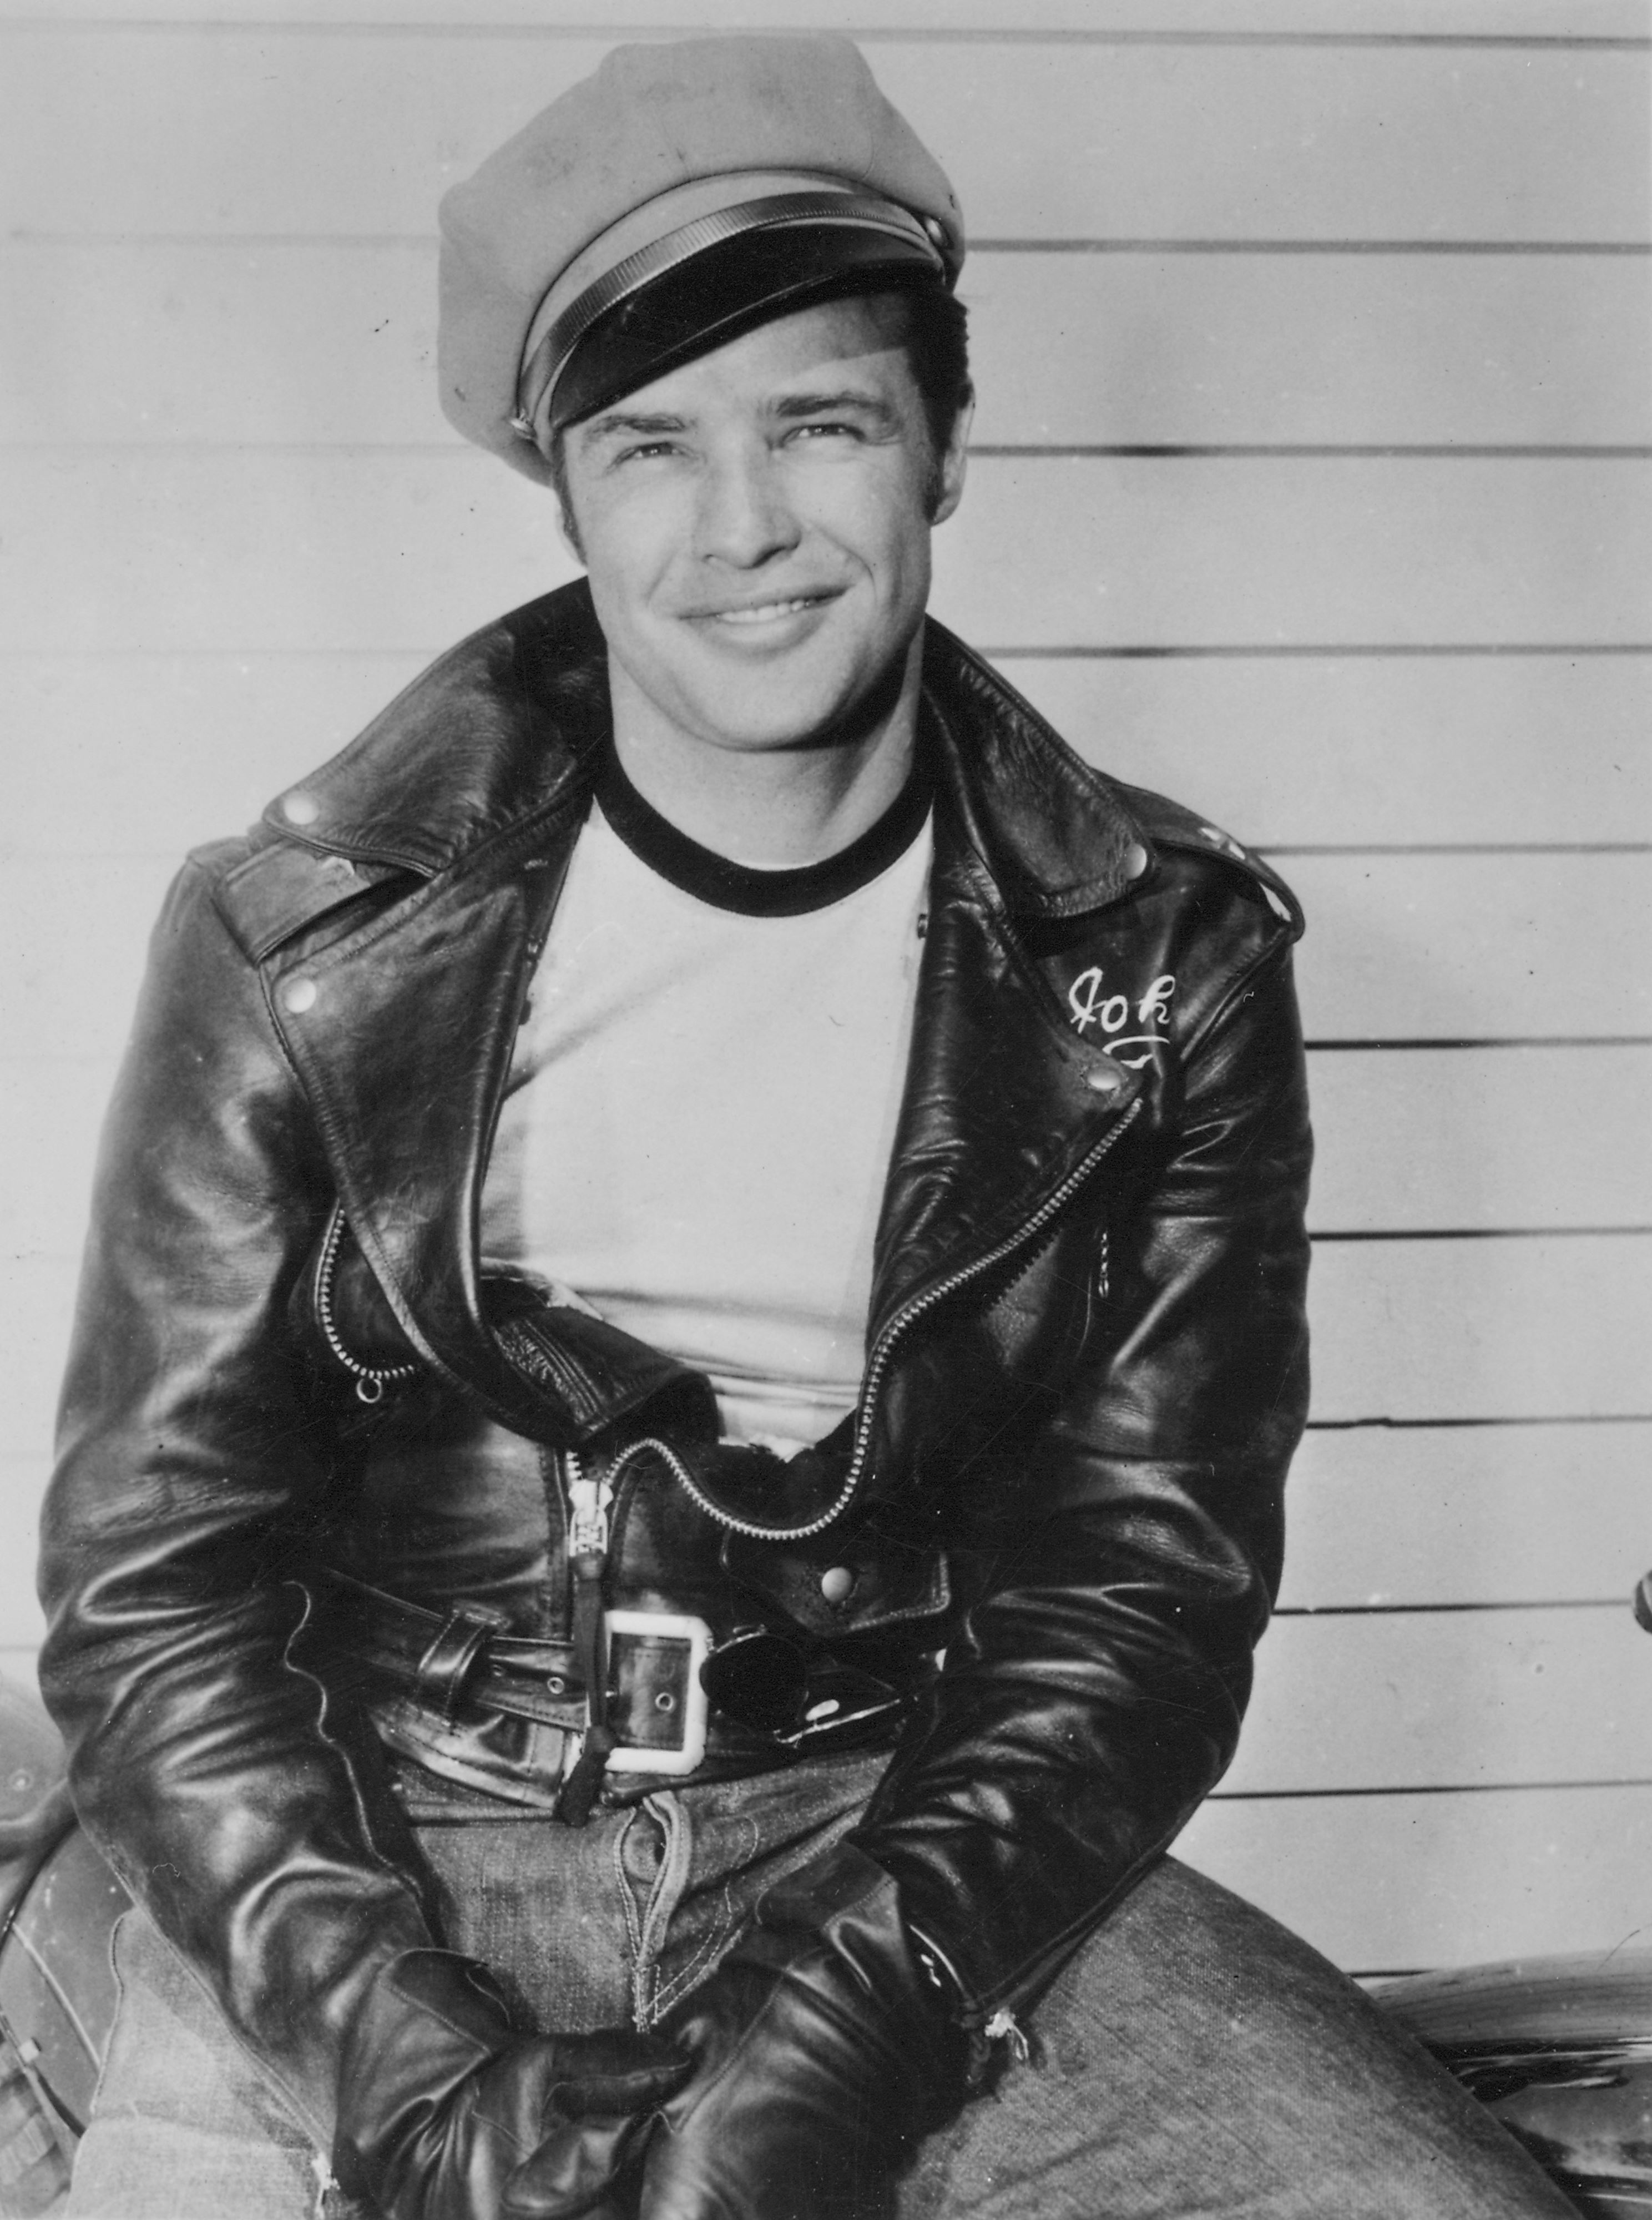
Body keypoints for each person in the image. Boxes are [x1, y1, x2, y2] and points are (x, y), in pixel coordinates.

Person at [36, 33, 1575, 2220]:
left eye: (819, 422)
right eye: (652, 445)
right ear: (564, 489)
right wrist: (405, 2081)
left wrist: (827, 2045)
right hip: (364, 1853)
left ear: (940, 443)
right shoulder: (299, 935)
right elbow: (150, 1575)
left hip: (891, 1852)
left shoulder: (1163, 961)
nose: (742, 527)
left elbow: (1132, 1595)